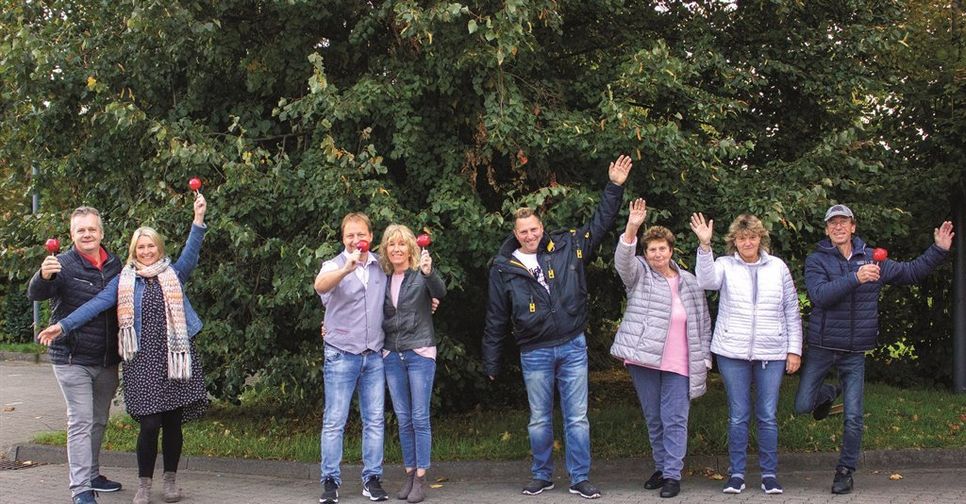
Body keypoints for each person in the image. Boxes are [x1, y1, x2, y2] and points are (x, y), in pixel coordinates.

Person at [38, 194, 210, 504]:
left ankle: (170, 481)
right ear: (134, 251)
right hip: (141, 361)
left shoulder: (175, 274)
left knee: (172, 423)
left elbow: (192, 253)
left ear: (159, 248)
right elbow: (95, 305)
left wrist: (198, 221)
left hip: (176, 356)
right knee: (149, 424)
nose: (146, 251)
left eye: (151, 246)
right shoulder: (123, 280)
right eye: (140, 247)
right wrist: (62, 326)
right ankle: (144, 484)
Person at [482, 154, 632, 500]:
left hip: (572, 345)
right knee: (538, 420)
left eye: (535, 229)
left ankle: (580, 478)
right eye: (524, 232)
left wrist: (614, 186)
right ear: (515, 234)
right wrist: (491, 361)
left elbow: (601, 223)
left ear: (541, 227)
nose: (531, 235)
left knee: (577, 418)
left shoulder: (566, 246)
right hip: (533, 351)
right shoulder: (503, 267)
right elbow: (495, 317)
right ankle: (542, 475)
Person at [794, 204, 954, 495]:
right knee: (803, 405)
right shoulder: (818, 260)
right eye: (833, 223)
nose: (838, 227)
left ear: (853, 227)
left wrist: (938, 250)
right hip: (822, 346)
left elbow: (911, 273)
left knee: (853, 416)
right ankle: (829, 393)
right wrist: (855, 278)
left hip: (855, 350)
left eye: (844, 222)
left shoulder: (873, 259)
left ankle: (845, 471)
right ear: (827, 229)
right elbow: (818, 297)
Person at [689, 212, 802, 495]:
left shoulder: (778, 267)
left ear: (760, 238)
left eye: (752, 237)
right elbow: (705, 281)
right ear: (734, 241)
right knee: (738, 415)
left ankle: (769, 475)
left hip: (772, 352)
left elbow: (791, 309)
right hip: (732, 352)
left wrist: (794, 350)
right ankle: (736, 474)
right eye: (742, 238)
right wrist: (704, 246)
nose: (747, 242)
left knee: (767, 414)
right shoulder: (724, 265)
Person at [610, 199, 712, 498]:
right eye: (651, 249)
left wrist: (705, 357)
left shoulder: (690, 282)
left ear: (671, 251)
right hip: (645, 359)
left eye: (662, 248)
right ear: (646, 253)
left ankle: (672, 474)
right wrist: (632, 227)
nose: (657, 254)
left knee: (675, 418)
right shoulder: (639, 275)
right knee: (654, 417)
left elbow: (703, 321)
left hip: (680, 362)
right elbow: (622, 262)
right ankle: (661, 465)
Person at [28, 206, 124, 504]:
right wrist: (43, 276)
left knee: (98, 420)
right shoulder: (62, 264)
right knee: (81, 421)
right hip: (71, 358)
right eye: (80, 230)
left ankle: (93, 473)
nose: (87, 234)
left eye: (91, 229)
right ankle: (81, 489)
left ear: (101, 233)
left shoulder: (114, 264)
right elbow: (37, 293)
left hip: (107, 357)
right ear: (72, 235)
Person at [313, 212, 390, 504]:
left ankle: (372, 478)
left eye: (361, 234)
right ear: (343, 238)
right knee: (334, 421)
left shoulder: (380, 266)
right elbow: (320, 285)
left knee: (374, 420)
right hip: (341, 353)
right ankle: (330, 481)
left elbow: (398, 295)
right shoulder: (334, 265)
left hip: (374, 355)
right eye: (350, 236)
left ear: (370, 235)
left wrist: (429, 300)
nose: (356, 240)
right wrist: (346, 268)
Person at [378, 224, 447, 503]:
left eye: (401, 244)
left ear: (411, 248)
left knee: (419, 417)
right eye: (391, 245)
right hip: (391, 354)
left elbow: (439, 291)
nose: (396, 249)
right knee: (404, 418)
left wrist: (430, 273)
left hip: (419, 352)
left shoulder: (421, 274)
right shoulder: (381, 278)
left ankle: (421, 478)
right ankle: (408, 474)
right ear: (385, 249)